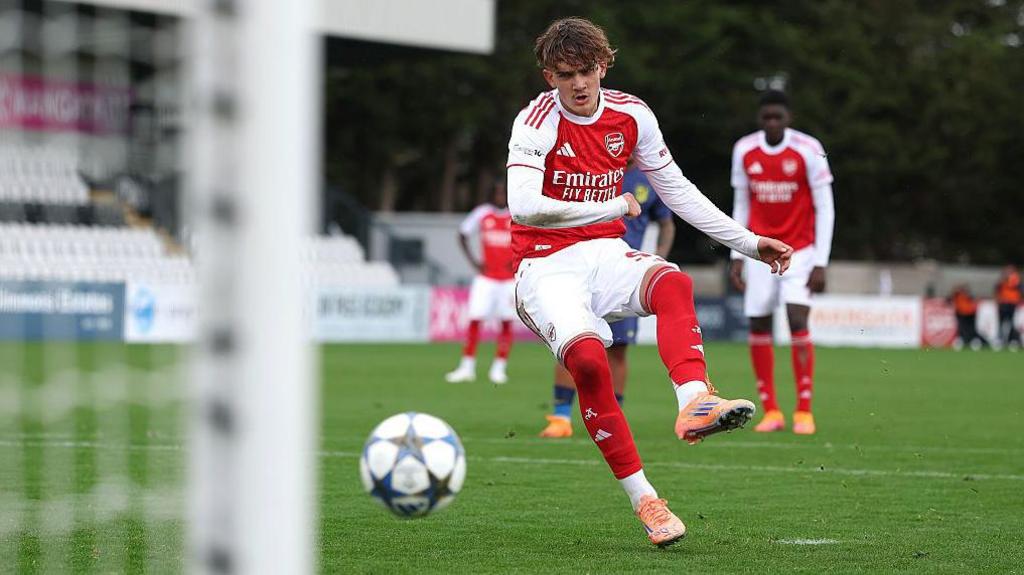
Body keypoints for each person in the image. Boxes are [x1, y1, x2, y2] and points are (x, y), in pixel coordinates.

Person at [507, 17, 793, 547]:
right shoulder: (536, 120)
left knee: (673, 284)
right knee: (590, 362)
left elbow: (678, 191)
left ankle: (695, 400)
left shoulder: (633, 115)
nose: (579, 84)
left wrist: (749, 243)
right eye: (566, 74)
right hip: (544, 266)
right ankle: (647, 501)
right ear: (550, 75)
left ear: (604, 65)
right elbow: (522, 205)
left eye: (588, 71)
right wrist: (609, 203)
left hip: (605, 253)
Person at [539, 163, 675, 438]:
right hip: (579, 269)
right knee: (572, 343)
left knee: (618, 349)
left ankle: (613, 417)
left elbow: (666, 223)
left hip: (621, 276)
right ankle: (561, 417)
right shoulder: (591, 165)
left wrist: (660, 255)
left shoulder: (648, 180)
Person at [728, 90, 835, 436]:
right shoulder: (744, 149)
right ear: (760, 119)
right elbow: (741, 202)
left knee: (796, 317)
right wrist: (737, 253)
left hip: (800, 250)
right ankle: (771, 410)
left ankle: (804, 409)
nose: (772, 122)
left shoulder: (809, 149)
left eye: (778, 117)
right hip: (760, 250)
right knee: (758, 324)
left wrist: (821, 261)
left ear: (788, 118)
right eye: (766, 117)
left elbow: (826, 207)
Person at [444, 185, 515, 384]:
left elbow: (531, 238)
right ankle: (466, 367)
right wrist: (474, 262)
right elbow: (462, 234)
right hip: (486, 279)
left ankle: (499, 368)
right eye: (497, 193)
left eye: (504, 193)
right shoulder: (482, 213)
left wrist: (517, 262)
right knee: (475, 320)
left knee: (506, 322)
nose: (501, 196)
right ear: (492, 195)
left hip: (509, 280)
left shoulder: (516, 214)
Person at [950, 284, 989, 350]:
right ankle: (966, 342)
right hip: (962, 314)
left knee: (972, 331)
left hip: (970, 315)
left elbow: (972, 305)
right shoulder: (957, 295)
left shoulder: (968, 296)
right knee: (962, 330)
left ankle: (983, 342)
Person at [994, 265, 1021, 350]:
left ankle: (1012, 341)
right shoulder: (1002, 281)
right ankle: (1000, 340)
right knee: (1001, 323)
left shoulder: (1016, 279)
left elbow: (1016, 287)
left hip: (1012, 304)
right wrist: (998, 300)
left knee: (1012, 323)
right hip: (1003, 304)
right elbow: (997, 290)